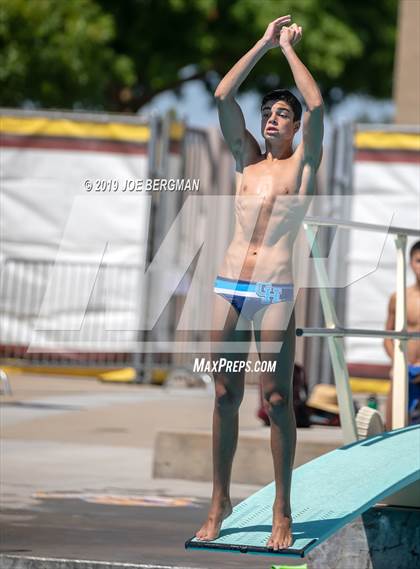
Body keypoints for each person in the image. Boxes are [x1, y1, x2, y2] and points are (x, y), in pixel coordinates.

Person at [195, 15, 323, 551]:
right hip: (230, 284)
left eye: (281, 114)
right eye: (268, 112)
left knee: (274, 396)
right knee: (224, 393)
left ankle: (281, 508)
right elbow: (225, 96)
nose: (272, 119)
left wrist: (291, 53)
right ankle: (219, 499)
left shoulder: (301, 168)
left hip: (273, 290)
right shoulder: (247, 162)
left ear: (295, 128)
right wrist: (264, 43)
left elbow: (316, 105)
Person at [384, 240, 420, 429]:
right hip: (403, 370)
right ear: (411, 263)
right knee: (393, 429)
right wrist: (399, 363)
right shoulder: (399, 297)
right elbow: (388, 337)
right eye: (419, 261)